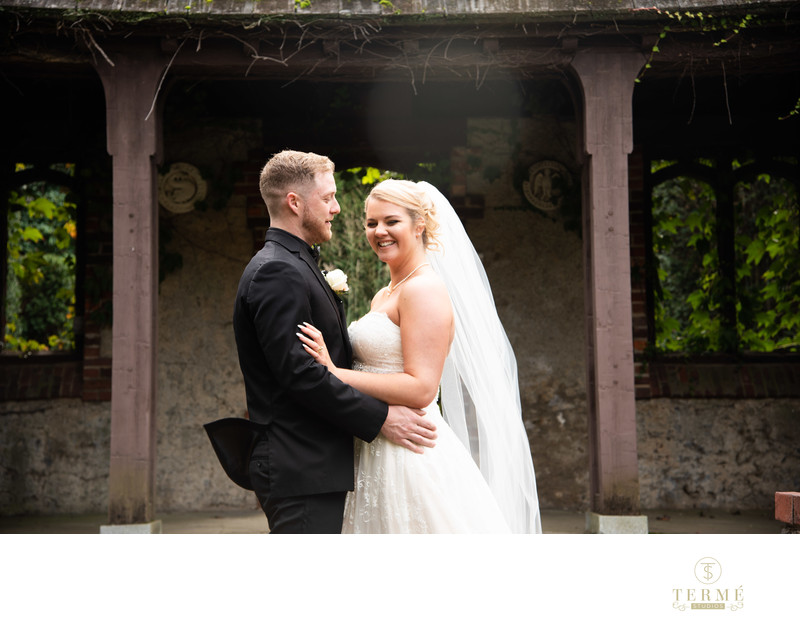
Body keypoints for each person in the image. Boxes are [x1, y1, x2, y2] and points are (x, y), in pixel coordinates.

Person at [298, 179, 541, 533]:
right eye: (371, 223)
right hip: (376, 443)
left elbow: (422, 387)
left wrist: (335, 372)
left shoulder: (423, 289)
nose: (379, 231)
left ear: (420, 224)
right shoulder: (385, 294)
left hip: (410, 453)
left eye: (391, 221)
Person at [233, 151, 437, 534]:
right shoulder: (278, 269)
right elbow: (300, 375)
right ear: (295, 202)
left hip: (323, 465)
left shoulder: (297, 262)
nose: (338, 208)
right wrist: (381, 419)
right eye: (328, 198)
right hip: (301, 465)